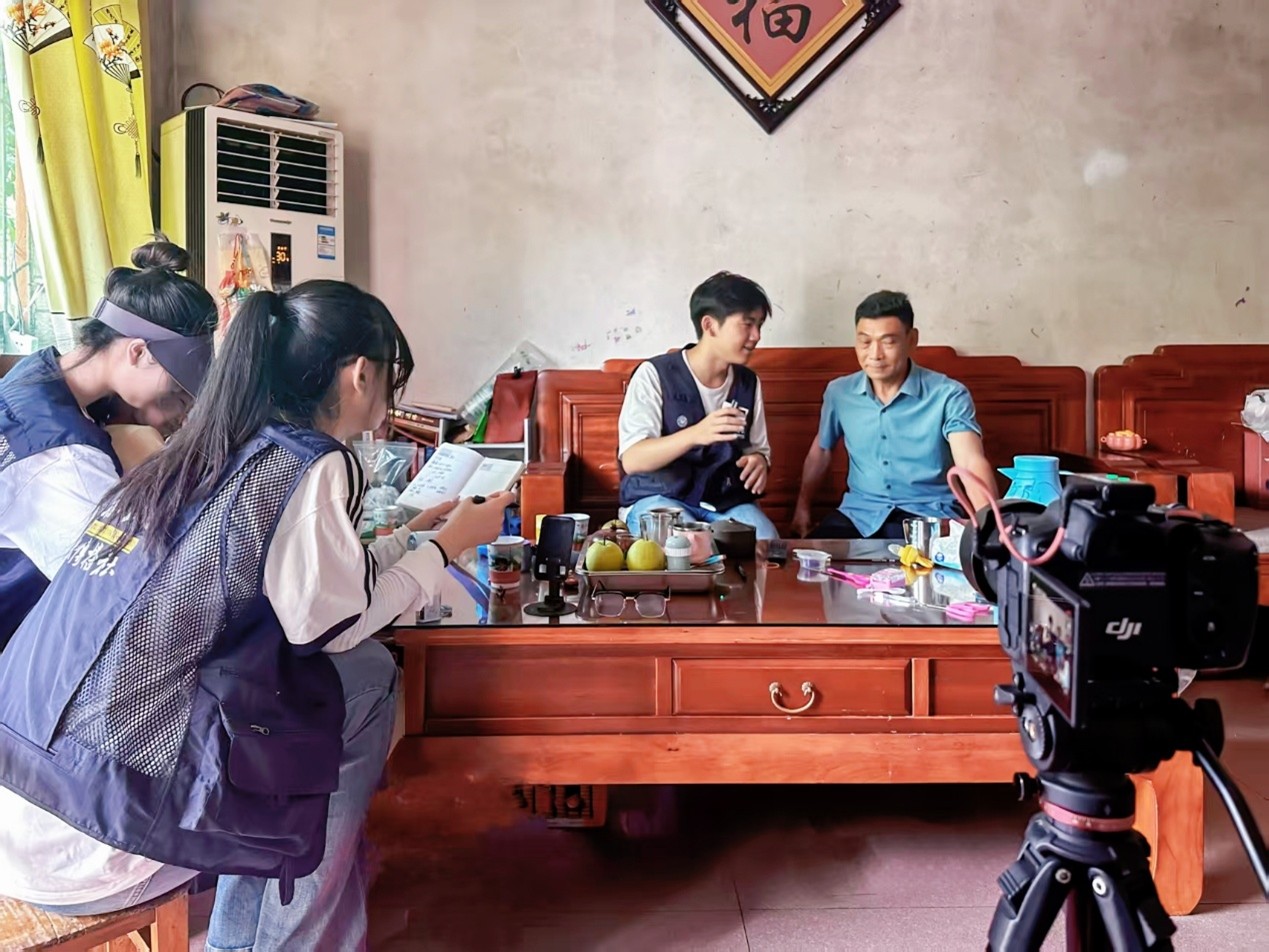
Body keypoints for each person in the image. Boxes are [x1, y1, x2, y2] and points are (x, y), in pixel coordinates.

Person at [0, 280, 512, 950]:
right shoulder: (312, 460)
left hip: (28, 790)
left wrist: (411, 541)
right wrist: (448, 547)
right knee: (362, 678)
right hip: (97, 831)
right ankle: (297, 938)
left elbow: (315, 584)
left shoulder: (210, 444)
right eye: (394, 377)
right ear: (362, 373)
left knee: (302, 703)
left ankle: (245, 940)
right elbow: (333, 625)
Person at [0, 238, 216, 652]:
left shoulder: (36, 375)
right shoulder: (65, 460)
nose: (175, 407)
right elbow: (128, 589)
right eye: (177, 389)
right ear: (138, 352)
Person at [792, 290, 997, 539]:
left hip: (930, 516)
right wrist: (802, 508)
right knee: (809, 557)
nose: (875, 355)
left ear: (912, 340)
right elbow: (821, 450)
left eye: (888, 342)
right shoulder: (839, 393)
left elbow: (970, 462)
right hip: (859, 516)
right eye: (865, 342)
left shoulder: (948, 395)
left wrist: (992, 529)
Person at [618, 271, 778, 540]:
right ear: (710, 325)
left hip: (725, 501)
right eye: (748, 324)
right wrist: (695, 434)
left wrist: (759, 461)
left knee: (765, 541)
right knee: (685, 544)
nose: (757, 335)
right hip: (659, 497)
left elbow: (758, 450)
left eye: (760, 325)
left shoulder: (748, 382)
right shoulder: (654, 374)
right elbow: (633, 459)